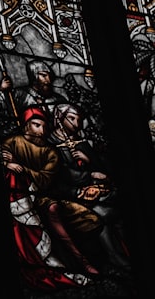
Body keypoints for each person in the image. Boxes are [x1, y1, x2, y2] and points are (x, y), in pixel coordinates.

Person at [0, 107, 89, 288]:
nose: (42, 130)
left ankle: (81, 261)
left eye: (43, 126)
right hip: (19, 197)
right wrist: (5, 162)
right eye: (36, 125)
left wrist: (22, 168)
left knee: (53, 209)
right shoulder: (11, 143)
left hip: (43, 196)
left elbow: (45, 180)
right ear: (26, 126)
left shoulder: (51, 152)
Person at [47, 103, 130, 273]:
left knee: (119, 205)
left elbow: (100, 168)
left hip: (97, 192)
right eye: (72, 119)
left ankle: (127, 252)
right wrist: (81, 187)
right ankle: (115, 257)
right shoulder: (49, 145)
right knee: (103, 213)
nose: (77, 124)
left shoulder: (81, 141)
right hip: (70, 197)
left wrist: (89, 162)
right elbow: (56, 178)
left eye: (79, 119)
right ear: (59, 119)